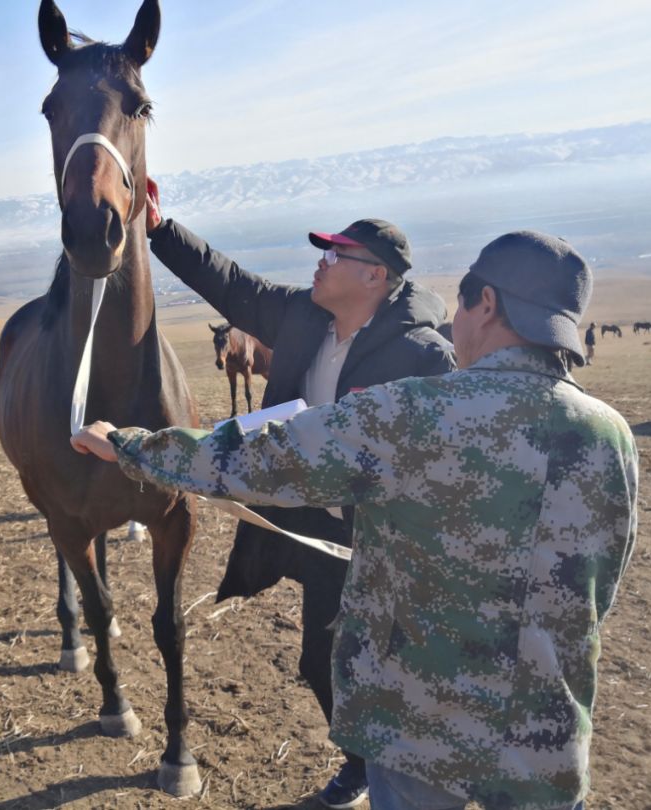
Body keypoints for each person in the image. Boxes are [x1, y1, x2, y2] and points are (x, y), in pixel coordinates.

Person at [71, 230, 636, 810]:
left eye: (463, 302)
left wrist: (129, 445)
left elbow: (257, 460)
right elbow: (600, 585)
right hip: (544, 741)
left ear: (486, 304)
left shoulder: (416, 410)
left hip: (421, 729)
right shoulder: (610, 436)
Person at [142, 179, 456, 807]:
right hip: (317, 527)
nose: (321, 260)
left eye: (335, 255)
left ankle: (404, 773)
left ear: (375, 276)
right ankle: (361, 763)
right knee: (320, 661)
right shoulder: (304, 316)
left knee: (395, 669)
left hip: (386, 541)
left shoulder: (424, 356)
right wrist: (157, 228)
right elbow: (230, 283)